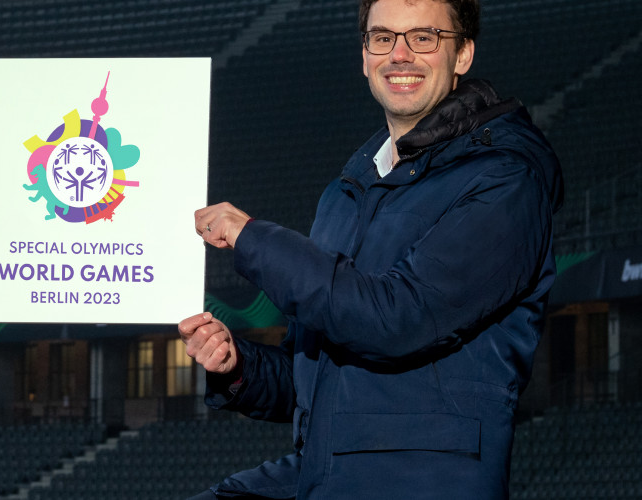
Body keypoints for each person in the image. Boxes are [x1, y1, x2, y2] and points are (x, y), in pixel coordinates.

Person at [180, 0, 561, 498]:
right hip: (324, 473)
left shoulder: (506, 180)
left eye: (423, 37)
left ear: (463, 54)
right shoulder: (349, 189)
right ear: (364, 56)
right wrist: (236, 367)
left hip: (425, 482)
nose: (399, 54)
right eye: (382, 38)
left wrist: (254, 238)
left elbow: (397, 320)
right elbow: (312, 376)